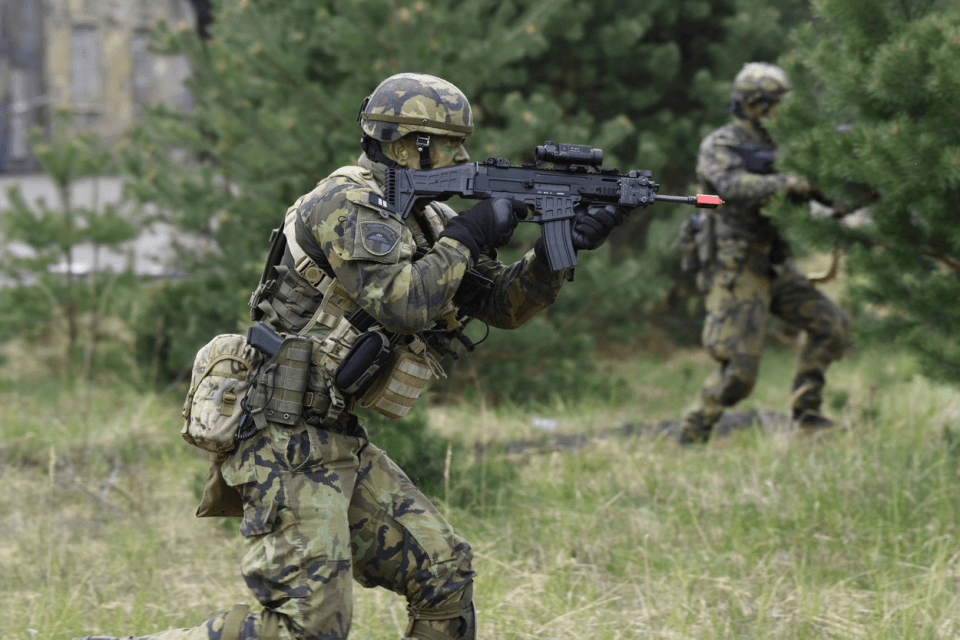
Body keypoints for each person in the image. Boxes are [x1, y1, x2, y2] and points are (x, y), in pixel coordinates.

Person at [73, 72, 628, 640]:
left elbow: (499, 305)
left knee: (445, 577)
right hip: (282, 437)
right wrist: (468, 234)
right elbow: (402, 304)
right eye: (448, 143)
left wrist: (555, 254)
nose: (463, 156)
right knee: (309, 629)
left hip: (335, 435)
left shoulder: (428, 220)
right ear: (404, 146)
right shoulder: (346, 202)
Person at [676, 62, 851, 444]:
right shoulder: (721, 144)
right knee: (739, 372)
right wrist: (788, 181)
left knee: (831, 326)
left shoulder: (788, 144)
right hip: (735, 261)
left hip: (773, 259)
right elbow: (730, 186)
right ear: (753, 105)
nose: (783, 112)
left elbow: (830, 197)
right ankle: (693, 430)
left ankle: (806, 414)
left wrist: (848, 184)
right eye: (776, 104)